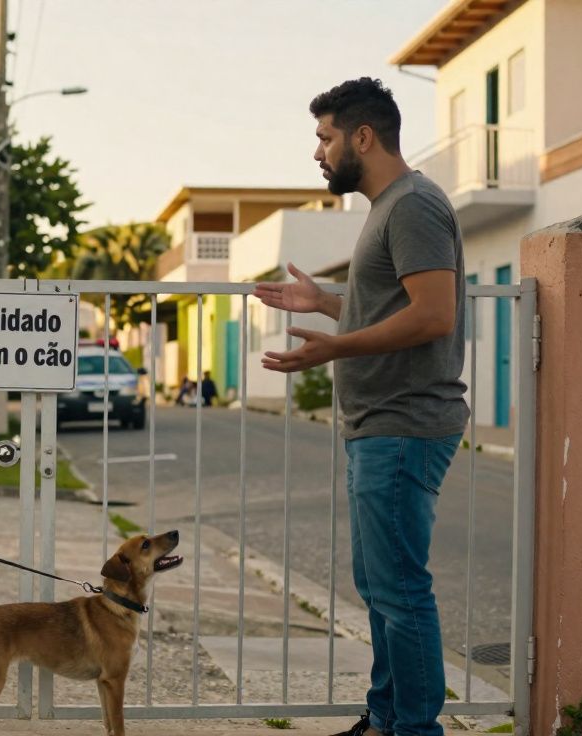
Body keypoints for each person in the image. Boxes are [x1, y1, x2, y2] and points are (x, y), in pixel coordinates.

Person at [254, 77, 467, 736]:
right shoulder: (388, 208)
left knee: (401, 591)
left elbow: (434, 316)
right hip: (379, 427)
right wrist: (324, 303)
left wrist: (332, 348)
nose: (318, 153)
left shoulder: (412, 206)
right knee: (379, 587)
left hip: (406, 425)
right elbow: (390, 310)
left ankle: (414, 729)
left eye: (325, 137)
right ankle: (384, 718)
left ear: (363, 136)